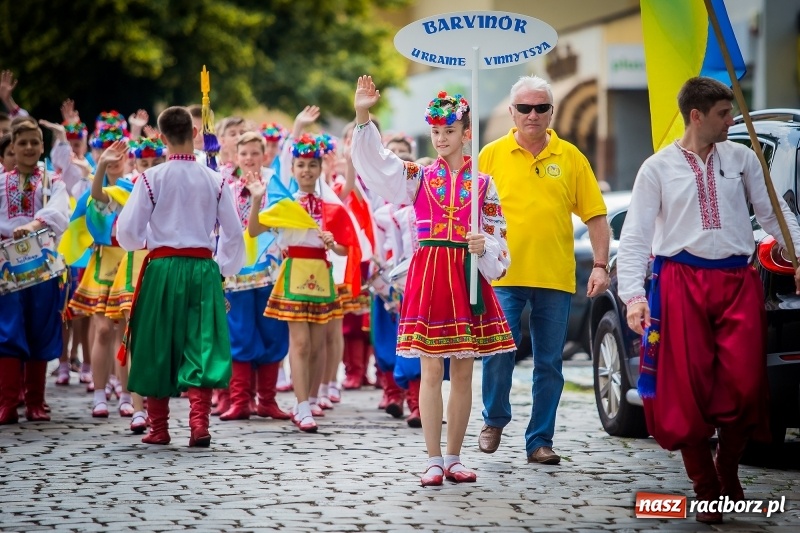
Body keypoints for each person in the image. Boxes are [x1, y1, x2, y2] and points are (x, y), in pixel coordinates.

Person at [617, 76, 800, 524]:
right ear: (696, 116)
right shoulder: (656, 168)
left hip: (737, 282)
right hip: (679, 283)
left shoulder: (742, 157)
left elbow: (774, 214)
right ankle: (705, 485)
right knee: (687, 391)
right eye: (724, 113)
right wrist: (633, 297)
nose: (732, 120)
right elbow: (636, 236)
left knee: (744, 384)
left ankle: (728, 468)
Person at [351, 76, 516, 486]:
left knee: (461, 372)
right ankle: (431, 457)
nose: (441, 139)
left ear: (466, 134)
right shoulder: (419, 177)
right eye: (436, 131)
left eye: (449, 131)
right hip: (429, 273)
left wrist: (484, 247)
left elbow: (500, 240)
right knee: (429, 369)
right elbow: (377, 163)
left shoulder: (483, 184)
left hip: (466, 276)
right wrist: (362, 114)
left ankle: (456, 457)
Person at [478, 75, 609, 465]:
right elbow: (467, 210)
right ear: (511, 112)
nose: (532, 115)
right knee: (499, 352)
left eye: (541, 108)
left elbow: (597, 216)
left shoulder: (570, 157)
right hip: (502, 276)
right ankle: (494, 418)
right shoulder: (490, 155)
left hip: (554, 277)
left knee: (549, 363)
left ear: (551, 112)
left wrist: (600, 265)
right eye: (524, 108)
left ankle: (539, 440)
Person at [116, 106, 244, 447]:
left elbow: (127, 232)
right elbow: (233, 233)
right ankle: (199, 423)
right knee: (201, 341)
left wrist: (145, 243)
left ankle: (159, 428)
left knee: (156, 340)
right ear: (196, 133)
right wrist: (225, 267)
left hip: (161, 267)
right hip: (202, 267)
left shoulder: (150, 178)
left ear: (160, 138)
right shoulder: (216, 180)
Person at [0, 119, 69, 424]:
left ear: (42, 147)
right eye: (23, 143)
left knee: (41, 326)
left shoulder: (52, 180)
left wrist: (32, 224)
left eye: (35, 142)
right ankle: (6, 402)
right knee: (7, 329)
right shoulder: (1, 182)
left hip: (41, 266)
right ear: (12, 147)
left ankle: (36, 402)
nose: (29, 148)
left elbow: (58, 211)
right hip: (6, 268)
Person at [218, 131, 290, 422]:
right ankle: (240, 401)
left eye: (254, 154)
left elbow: (283, 218)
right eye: (244, 154)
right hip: (236, 272)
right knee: (239, 334)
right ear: (236, 156)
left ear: (264, 156)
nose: (249, 159)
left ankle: (268, 401)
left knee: (273, 334)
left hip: (268, 271)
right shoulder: (226, 184)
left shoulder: (273, 183)